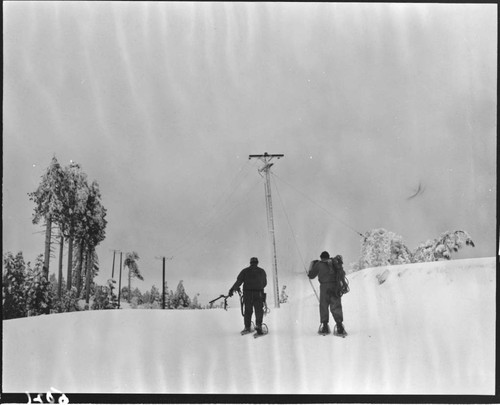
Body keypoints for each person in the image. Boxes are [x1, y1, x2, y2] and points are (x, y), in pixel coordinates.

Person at [308, 251, 346, 335]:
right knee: (336, 306)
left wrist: (311, 267)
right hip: (335, 286)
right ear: (329, 257)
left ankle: (324, 326)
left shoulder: (319, 264)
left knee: (323, 305)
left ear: (321, 257)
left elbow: (311, 275)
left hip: (324, 287)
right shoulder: (334, 263)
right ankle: (339, 326)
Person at [228, 257, 267, 335]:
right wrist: (258, 286)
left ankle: (247, 327)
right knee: (258, 310)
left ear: (250, 263)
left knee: (248, 311)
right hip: (258, 294)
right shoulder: (261, 271)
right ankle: (258, 326)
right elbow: (264, 283)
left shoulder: (245, 271)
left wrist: (232, 289)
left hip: (247, 294)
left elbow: (239, 281)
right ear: (257, 262)